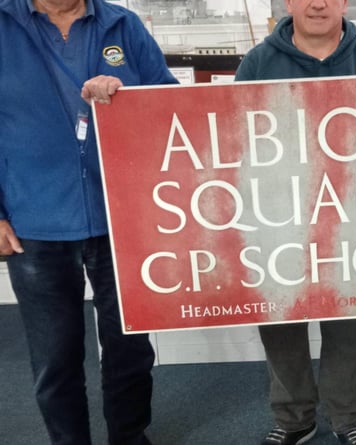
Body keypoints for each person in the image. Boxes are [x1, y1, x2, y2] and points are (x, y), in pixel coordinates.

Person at [0, 0, 178, 443]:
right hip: (34, 222)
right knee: (55, 357)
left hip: (124, 218)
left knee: (130, 348)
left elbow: (171, 103)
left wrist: (128, 96)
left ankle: (129, 435)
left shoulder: (123, 23)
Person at [234, 1, 356, 444]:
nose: (318, 3)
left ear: (344, 2)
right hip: (278, 218)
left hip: (354, 217)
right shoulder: (258, 62)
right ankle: (294, 419)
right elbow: (234, 138)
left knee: (349, 326)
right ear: (289, 2)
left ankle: (347, 418)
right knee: (281, 325)